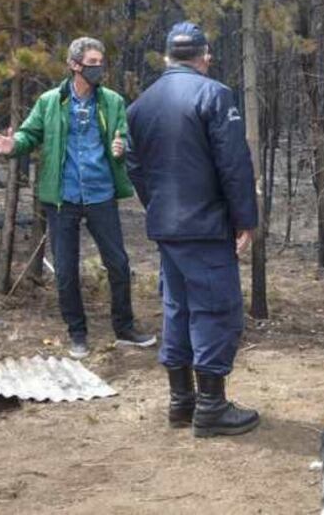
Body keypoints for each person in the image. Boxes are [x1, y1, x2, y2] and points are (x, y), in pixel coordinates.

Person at [125, 22, 260, 438]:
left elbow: (135, 167)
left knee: (177, 310)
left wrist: (160, 207)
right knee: (215, 311)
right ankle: (211, 407)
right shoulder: (214, 95)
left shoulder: (140, 104)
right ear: (204, 56)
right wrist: (245, 219)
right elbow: (233, 164)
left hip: (168, 226)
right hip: (204, 226)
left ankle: (181, 402)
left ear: (167, 57)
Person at [0, 37, 155, 360]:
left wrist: (122, 147)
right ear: (74, 65)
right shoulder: (51, 102)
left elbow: (124, 136)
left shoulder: (112, 101)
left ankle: (125, 328)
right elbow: (29, 133)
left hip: (100, 193)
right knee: (65, 270)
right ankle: (77, 334)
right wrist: (14, 146)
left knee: (119, 264)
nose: (99, 68)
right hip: (62, 197)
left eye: (101, 62)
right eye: (93, 62)